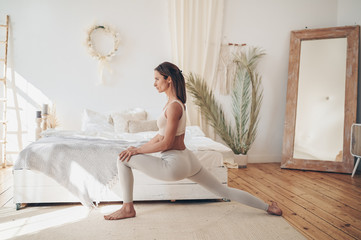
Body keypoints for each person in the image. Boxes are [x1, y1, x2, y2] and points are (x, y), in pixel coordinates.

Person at [104, 62, 282, 220]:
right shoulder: (173, 103)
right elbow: (159, 136)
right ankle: (268, 207)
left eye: (157, 79)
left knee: (122, 159)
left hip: (174, 164)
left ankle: (128, 208)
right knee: (223, 191)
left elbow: (166, 144)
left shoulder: (174, 107)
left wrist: (137, 151)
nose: (154, 83)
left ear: (169, 80)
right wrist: (138, 148)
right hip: (188, 159)